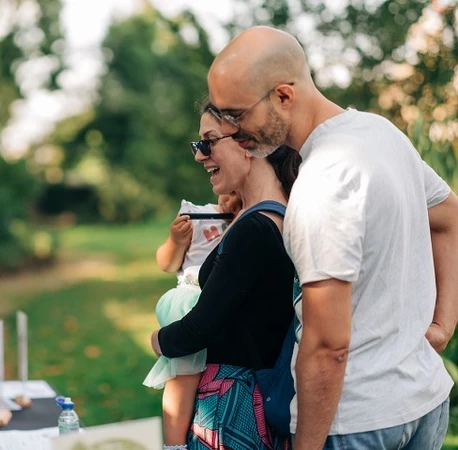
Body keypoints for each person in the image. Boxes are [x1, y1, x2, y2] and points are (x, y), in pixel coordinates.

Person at [205, 26, 458, 450]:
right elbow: (450, 216)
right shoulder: (380, 133)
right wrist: (443, 322)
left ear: (284, 96)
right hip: (424, 402)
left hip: (355, 422)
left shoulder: (322, 184)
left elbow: (327, 346)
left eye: (236, 115)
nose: (229, 133)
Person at [150, 107, 301, 450]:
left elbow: (198, 329)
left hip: (232, 409)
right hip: (264, 397)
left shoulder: (253, 229)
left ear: (247, 143)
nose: (200, 156)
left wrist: (158, 340)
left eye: (208, 142)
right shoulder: (285, 218)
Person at [144, 193, 241, 446]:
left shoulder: (255, 217)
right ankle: (175, 443)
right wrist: (175, 240)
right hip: (189, 297)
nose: (231, 198)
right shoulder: (198, 214)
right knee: (183, 375)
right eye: (229, 192)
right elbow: (167, 263)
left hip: (222, 302)